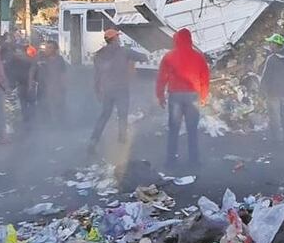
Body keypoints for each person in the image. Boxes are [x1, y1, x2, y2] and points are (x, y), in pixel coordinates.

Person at [156, 28, 210, 166]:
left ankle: (171, 160)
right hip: (193, 96)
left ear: (176, 40)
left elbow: (162, 78)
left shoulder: (169, 56)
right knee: (192, 129)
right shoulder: (198, 56)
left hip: (175, 96)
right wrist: (203, 96)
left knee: (174, 129)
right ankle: (194, 160)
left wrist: (160, 96)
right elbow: (204, 77)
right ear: (190, 40)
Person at [88, 28, 147, 152]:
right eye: (118, 37)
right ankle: (122, 140)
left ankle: (93, 140)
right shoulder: (124, 51)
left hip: (107, 90)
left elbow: (97, 75)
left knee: (104, 115)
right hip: (121, 89)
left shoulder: (98, 54)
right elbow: (143, 57)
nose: (119, 39)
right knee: (122, 115)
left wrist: (97, 91)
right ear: (114, 39)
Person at [259, 33, 284, 145]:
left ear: (276, 45)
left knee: (274, 117)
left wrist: (261, 92)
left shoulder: (271, 59)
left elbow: (265, 77)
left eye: (271, 43)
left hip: (273, 93)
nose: (269, 45)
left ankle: (276, 140)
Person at [30, 40, 69, 124]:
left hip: (55, 87)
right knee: (42, 105)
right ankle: (43, 124)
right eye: (46, 47)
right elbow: (32, 70)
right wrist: (31, 83)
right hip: (42, 87)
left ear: (55, 49)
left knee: (57, 106)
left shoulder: (59, 59)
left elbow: (63, 73)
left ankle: (58, 123)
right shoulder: (40, 58)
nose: (47, 50)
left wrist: (64, 86)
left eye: (50, 48)